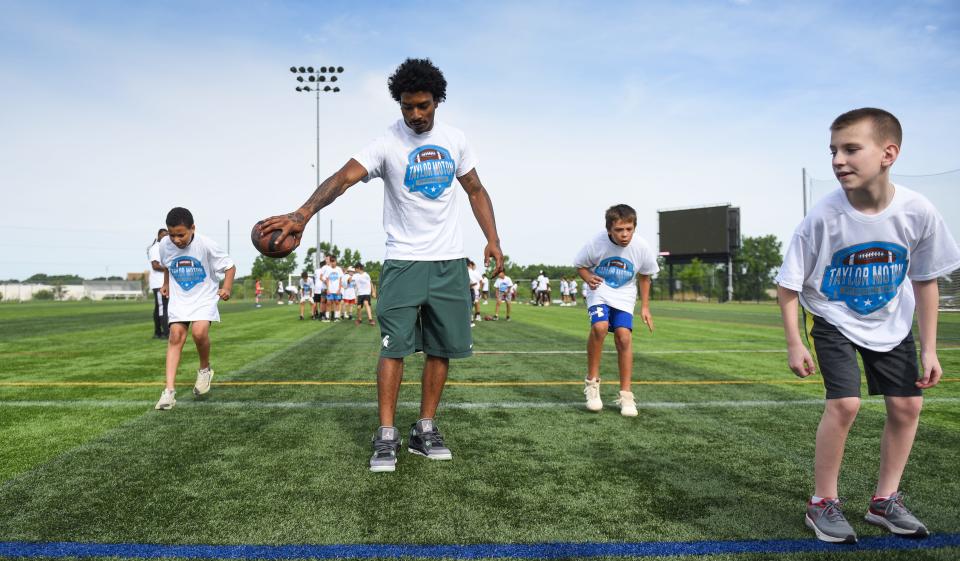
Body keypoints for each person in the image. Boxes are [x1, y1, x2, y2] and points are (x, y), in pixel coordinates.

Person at [259, 58, 503, 473]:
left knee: (440, 349)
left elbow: (476, 190)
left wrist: (493, 240)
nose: (415, 114)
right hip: (403, 261)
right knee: (395, 349)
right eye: (407, 106)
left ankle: (425, 428)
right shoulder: (386, 143)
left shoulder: (457, 140)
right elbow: (343, 178)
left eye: (423, 105)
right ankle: (386, 433)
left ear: (436, 101)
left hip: (447, 262)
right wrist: (303, 213)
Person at [775, 108, 960, 544]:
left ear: (888, 153)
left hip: (891, 321)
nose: (838, 159)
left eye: (851, 149)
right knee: (845, 405)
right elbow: (788, 286)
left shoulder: (918, 210)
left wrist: (930, 348)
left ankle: (885, 500)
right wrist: (795, 342)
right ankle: (822, 503)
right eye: (833, 151)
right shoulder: (823, 216)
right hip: (834, 316)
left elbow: (926, 281)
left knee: (907, 407)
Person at [575, 204, 658, 417]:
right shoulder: (596, 243)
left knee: (624, 338)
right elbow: (580, 265)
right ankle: (592, 385)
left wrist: (645, 307)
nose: (624, 234)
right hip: (600, 290)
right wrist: (587, 277)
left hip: (625, 294)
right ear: (609, 229)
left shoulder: (641, 246)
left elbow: (645, 276)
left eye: (629, 229)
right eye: (619, 230)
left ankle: (626, 394)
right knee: (600, 327)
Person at [155, 207, 236, 411]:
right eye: (172, 234)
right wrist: (166, 283)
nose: (176, 240)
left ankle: (204, 370)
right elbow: (167, 265)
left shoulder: (206, 244)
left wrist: (226, 287)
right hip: (180, 297)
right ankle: (169, 392)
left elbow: (230, 266)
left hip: (204, 297)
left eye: (181, 234)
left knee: (199, 333)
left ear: (193, 228)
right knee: (175, 336)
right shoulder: (165, 244)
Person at [147, 228, 170, 339]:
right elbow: (155, 266)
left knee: (160, 307)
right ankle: (166, 333)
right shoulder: (156, 248)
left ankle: (157, 332)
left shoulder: (164, 247)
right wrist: (168, 269)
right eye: (164, 235)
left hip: (162, 282)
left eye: (167, 235)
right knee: (162, 307)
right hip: (159, 283)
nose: (166, 237)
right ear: (158, 236)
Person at [324, 256, 344, 321]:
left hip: (337, 290)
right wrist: (328, 289)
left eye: (334, 261)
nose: (333, 263)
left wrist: (339, 289)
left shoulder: (339, 269)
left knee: (337, 302)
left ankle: (336, 317)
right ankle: (327, 317)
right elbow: (327, 280)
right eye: (331, 261)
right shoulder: (328, 269)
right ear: (330, 262)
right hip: (330, 290)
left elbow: (341, 280)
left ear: (336, 261)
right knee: (328, 303)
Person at [467, 260, 484, 325]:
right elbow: (481, 281)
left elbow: (481, 281)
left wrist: (479, 289)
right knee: (475, 303)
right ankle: (477, 316)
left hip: (474, 289)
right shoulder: (474, 272)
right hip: (474, 289)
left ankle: (476, 316)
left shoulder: (474, 272)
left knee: (474, 303)